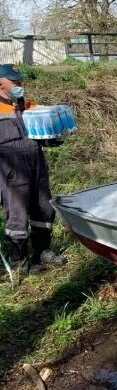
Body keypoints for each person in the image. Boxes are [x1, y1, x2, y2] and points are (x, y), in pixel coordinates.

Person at [0, 64, 65, 276]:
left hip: (36, 165)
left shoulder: (25, 105)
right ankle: (19, 262)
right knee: (18, 216)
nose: (20, 85)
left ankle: (42, 252)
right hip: (11, 170)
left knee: (44, 209)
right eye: (14, 82)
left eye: (20, 80)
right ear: (1, 84)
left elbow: (38, 133)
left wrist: (52, 138)